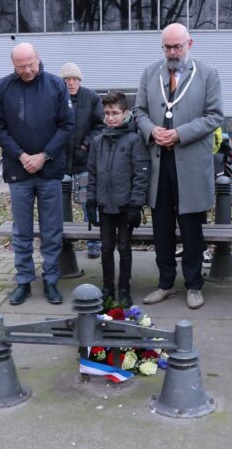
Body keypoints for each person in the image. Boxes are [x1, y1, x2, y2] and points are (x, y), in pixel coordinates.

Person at [135, 22, 223, 310]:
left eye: (177, 46)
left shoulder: (208, 74)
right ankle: (164, 283)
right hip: (159, 164)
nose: (172, 52)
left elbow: (214, 116)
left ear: (190, 44)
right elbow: (139, 111)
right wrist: (151, 130)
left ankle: (194, 284)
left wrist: (179, 134)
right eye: (167, 47)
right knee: (161, 227)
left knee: (191, 229)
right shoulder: (150, 72)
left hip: (191, 164)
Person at [0, 43, 74, 306]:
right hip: (18, 171)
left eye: (31, 64)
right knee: (22, 231)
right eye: (21, 66)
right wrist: (22, 156)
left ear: (39, 59)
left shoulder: (56, 86)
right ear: (13, 65)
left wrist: (44, 156)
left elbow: (67, 125)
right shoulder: (2, 88)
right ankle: (24, 280)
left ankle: (50, 280)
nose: (27, 70)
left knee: (52, 230)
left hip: (49, 171)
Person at [87, 91, 150, 307]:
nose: (111, 117)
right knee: (106, 248)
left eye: (115, 113)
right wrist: (91, 201)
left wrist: (135, 204)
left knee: (124, 247)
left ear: (125, 113)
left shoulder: (135, 140)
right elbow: (93, 173)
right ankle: (107, 288)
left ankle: (124, 287)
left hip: (125, 206)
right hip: (105, 205)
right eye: (107, 113)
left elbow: (141, 174)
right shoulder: (98, 142)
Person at [60, 62, 104, 260]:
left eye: (74, 79)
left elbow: (100, 125)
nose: (71, 83)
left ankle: (94, 242)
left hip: (83, 161)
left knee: (88, 202)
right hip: (60, 161)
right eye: (67, 79)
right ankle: (62, 242)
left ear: (80, 80)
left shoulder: (92, 97)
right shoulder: (56, 98)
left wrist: (86, 145)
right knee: (59, 203)